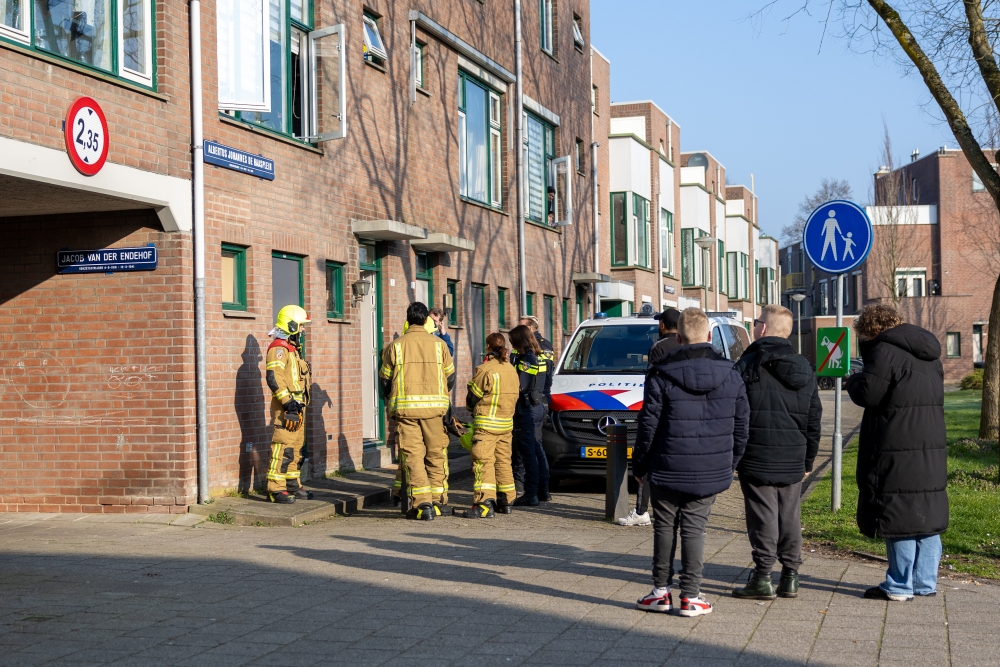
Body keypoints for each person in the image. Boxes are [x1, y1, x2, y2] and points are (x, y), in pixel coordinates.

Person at [632, 308, 749, 616]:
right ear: (710, 336)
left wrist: (639, 466)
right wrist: (730, 463)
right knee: (695, 529)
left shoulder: (660, 373)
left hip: (666, 466)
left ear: (679, 338)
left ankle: (660, 592)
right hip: (711, 468)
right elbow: (741, 428)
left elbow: (648, 426)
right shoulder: (732, 373)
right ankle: (691, 596)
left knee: (664, 527)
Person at [845, 304, 948, 602]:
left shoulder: (884, 350)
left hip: (895, 443)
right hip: (930, 444)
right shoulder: (931, 355)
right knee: (926, 511)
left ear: (870, 330)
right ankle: (924, 582)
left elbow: (869, 393)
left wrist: (853, 380)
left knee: (898, 511)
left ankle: (899, 585)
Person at [731, 304, 822, 600]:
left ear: (764, 329)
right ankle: (791, 576)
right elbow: (813, 417)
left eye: (757, 322)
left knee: (763, 515)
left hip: (755, 454)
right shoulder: (805, 368)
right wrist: (809, 459)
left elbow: (733, 412)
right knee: (789, 513)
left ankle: (761, 577)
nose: (755, 327)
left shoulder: (747, 365)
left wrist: (733, 453)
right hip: (793, 455)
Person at [380, 302, 456, 520]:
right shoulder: (438, 344)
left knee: (413, 457)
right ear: (425, 320)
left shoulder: (395, 346)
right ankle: (438, 501)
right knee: (436, 454)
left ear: (408, 319)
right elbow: (450, 378)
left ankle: (423, 505)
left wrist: (392, 397)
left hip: (406, 412)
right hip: (435, 411)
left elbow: (384, 380)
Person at [620, 307, 681, 527]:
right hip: (681, 413)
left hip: (660, 412)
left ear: (663, 325)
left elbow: (651, 383)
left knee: (647, 459)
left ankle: (641, 511)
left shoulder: (659, 347)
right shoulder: (687, 344)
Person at [463, 333, 520, 518]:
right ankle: (506, 501)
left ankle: (484, 503)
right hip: (506, 426)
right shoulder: (511, 369)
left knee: (483, 463)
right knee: (503, 462)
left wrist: (471, 409)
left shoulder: (486, 370)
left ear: (488, 347)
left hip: (487, 425)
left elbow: (472, 398)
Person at [265, 305, 313, 504]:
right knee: (282, 448)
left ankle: (292, 483)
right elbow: (274, 378)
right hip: (287, 408)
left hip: (297, 407)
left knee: (296, 448)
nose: (303, 330)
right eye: (301, 326)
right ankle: (275, 489)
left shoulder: (293, 350)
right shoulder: (279, 349)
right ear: (292, 325)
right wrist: (288, 403)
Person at [512, 315, 554, 498]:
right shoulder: (540, 356)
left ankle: (530, 494)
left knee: (527, 453)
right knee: (537, 449)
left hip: (528, 408)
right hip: (539, 405)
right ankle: (543, 490)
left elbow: (520, 386)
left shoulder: (528, 359)